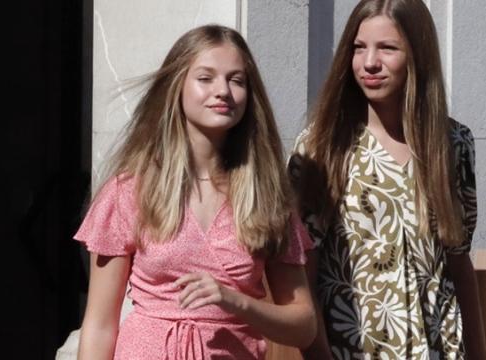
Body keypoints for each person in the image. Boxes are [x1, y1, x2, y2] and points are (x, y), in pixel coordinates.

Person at [76, 25, 316, 360]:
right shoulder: (131, 190)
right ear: (177, 87)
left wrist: (236, 301)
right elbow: (100, 325)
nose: (223, 91)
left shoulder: (265, 196)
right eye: (206, 78)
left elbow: (303, 324)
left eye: (236, 80)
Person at [289, 1, 486, 359]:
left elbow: (459, 262)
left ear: (418, 55)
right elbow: (303, 267)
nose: (369, 63)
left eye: (387, 48)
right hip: (352, 349)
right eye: (359, 47)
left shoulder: (452, 144)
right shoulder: (322, 146)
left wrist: (479, 353)